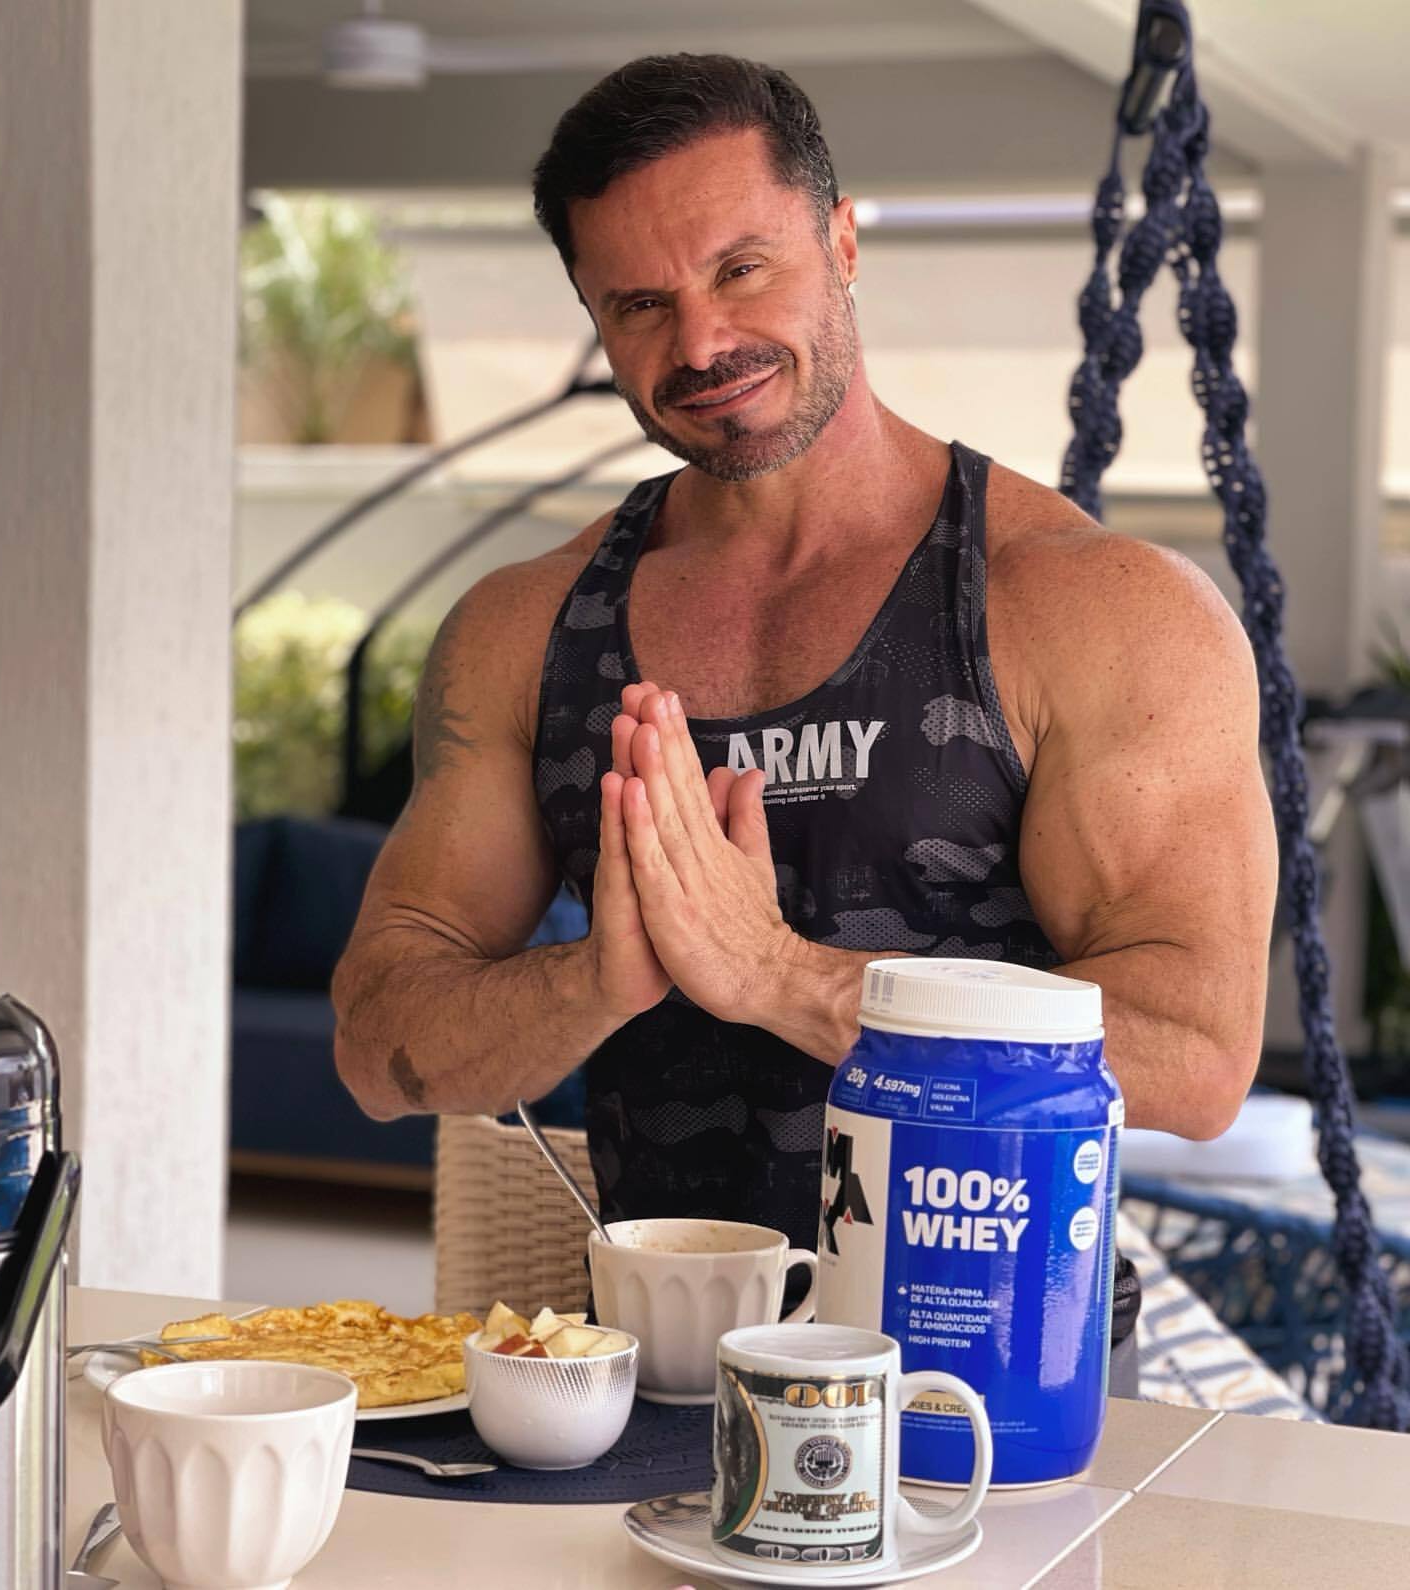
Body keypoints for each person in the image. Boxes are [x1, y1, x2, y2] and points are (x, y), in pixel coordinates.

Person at [332, 55, 1278, 1392]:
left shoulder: (1090, 608)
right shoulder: (526, 628)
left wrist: (780, 974)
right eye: (640, 303)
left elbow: (1196, 1055)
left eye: (741, 270)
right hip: (659, 1382)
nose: (699, 344)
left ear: (841, 243)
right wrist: (600, 979)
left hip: (991, 1389)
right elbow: (378, 1045)